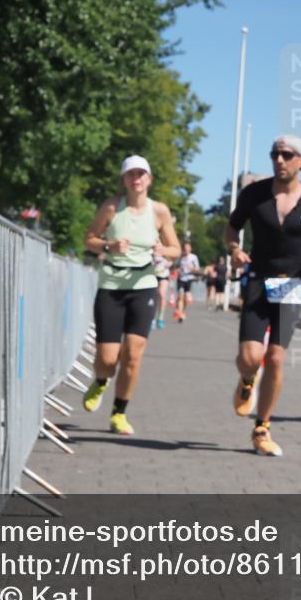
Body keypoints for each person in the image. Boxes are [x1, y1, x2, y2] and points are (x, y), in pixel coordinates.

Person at [226, 134, 301, 457]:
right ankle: (247, 379)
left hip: (290, 283)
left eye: (286, 155)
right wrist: (234, 249)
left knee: (275, 357)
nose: (279, 160)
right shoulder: (254, 193)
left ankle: (262, 427)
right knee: (250, 357)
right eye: (275, 154)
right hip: (258, 279)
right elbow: (232, 228)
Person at [81, 155, 181, 435]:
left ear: (149, 179)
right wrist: (109, 245)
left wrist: (163, 250)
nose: (136, 178)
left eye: (141, 174)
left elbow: (175, 249)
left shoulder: (159, 211)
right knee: (107, 358)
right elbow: (89, 239)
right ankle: (101, 381)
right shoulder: (112, 207)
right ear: (123, 179)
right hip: (111, 286)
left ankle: (119, 413)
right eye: (131, 174)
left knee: (133, 356)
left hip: (143, 286)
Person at [173, 242, 199, 322]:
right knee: (180, 295)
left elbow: (197, 269)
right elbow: (174, 267)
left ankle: (183, 312)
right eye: (185, 249)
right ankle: (180, 312)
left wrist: (191, 268)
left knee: (185, 298)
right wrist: (177, 270)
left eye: (188, 249)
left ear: (190, 249)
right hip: (181, 279)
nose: (186, 250)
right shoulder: (180, 257)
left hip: (189, 279)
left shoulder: (193, 257)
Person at [153, 252, 171, 329]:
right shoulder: (152, 253)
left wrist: (170, 263)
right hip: (153, 276)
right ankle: (152, 318)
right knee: (154, 297)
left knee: (162, 294)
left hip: (164, 277)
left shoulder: (166, 253)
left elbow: (174, 258)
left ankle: (160, 318)